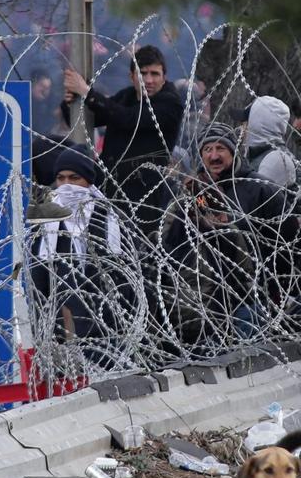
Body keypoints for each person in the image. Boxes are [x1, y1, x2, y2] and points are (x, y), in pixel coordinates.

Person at [159, 122, 299, 345]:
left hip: (249, 299)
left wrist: (275, 288)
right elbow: (171, 239)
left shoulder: (260, 189)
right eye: (208, 150)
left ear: (233, 151)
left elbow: (287, 241)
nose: (214, 156)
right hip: (203, 301)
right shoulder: (195, 189)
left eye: (220, 149)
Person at [63, 44, 183, 235]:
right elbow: (88, 120)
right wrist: (71, 102)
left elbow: (129, 119)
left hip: (143, 195)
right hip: (110, 189)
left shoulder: (170, 103)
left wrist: (86, 92)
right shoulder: (125, 97)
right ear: (132, 76)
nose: (149, 80)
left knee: (136, 249)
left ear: (164, 77)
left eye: (155, 74)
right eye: (143, 74)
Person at [29, 145, 132, 355]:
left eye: (74, 178)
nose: (66, 185)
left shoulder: (109, 218)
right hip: (60, 333)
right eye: (61, 178)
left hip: (108, 329)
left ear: (88, 180)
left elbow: (124, 275)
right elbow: (38, 278)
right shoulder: (47, 220)